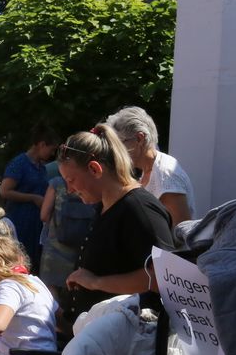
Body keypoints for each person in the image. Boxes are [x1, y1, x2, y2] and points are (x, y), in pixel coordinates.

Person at [57, 125, 174, 326]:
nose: (69, 189)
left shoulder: (139, 208)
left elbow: (163, 278)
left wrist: (96, 283)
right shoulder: (104, 206)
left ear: (95, 169)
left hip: (125, 343)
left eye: (71, 180)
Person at [106, 106, 196, 226]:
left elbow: (181, 232)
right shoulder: (148, 168)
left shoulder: (166, 176)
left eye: (119, 144)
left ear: (139, 139)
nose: (115, 151)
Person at [1, 123, 61, 267]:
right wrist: (33, 198)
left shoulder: (40, 166)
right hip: (20, 222)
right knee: (20, 262)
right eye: (51, 149)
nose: (52, 154)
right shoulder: (20, 163)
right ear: (41, 144)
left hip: (36, 224)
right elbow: (4, 191)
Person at [39, 172, 96, 311]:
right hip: (82, 246)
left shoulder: (57, 183)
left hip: (55, 247)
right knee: (76, 287)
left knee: (51, 290)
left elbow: (44, 215)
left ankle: (55, 325)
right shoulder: (90, 181)